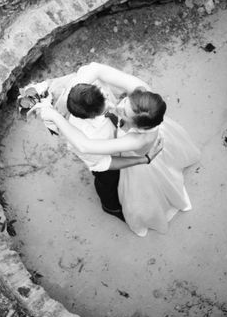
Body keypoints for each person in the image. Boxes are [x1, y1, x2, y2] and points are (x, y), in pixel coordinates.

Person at [34, 62, 200, 237]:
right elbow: (95, 68)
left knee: (121, 187)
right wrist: (71, 95)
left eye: (125, 114)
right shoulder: (142, 92)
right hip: (143, 138)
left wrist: (53, 115)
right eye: (126, 101)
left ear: (137, 126)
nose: (117, 106)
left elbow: (85, 145)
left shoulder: (137, 139)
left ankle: (111, 207)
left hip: (135, 163)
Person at [21, 72, 162, 221]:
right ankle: (110, 206)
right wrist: (144, 160)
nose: (116, 105)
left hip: (127, 146)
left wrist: (58, 96)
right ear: (92, 115)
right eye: (107, 103)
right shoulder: (86, 134)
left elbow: (94, 68)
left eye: (125, 105)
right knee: (108, 182)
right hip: (107, 163)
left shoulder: (98, 93)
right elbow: (101, 162)